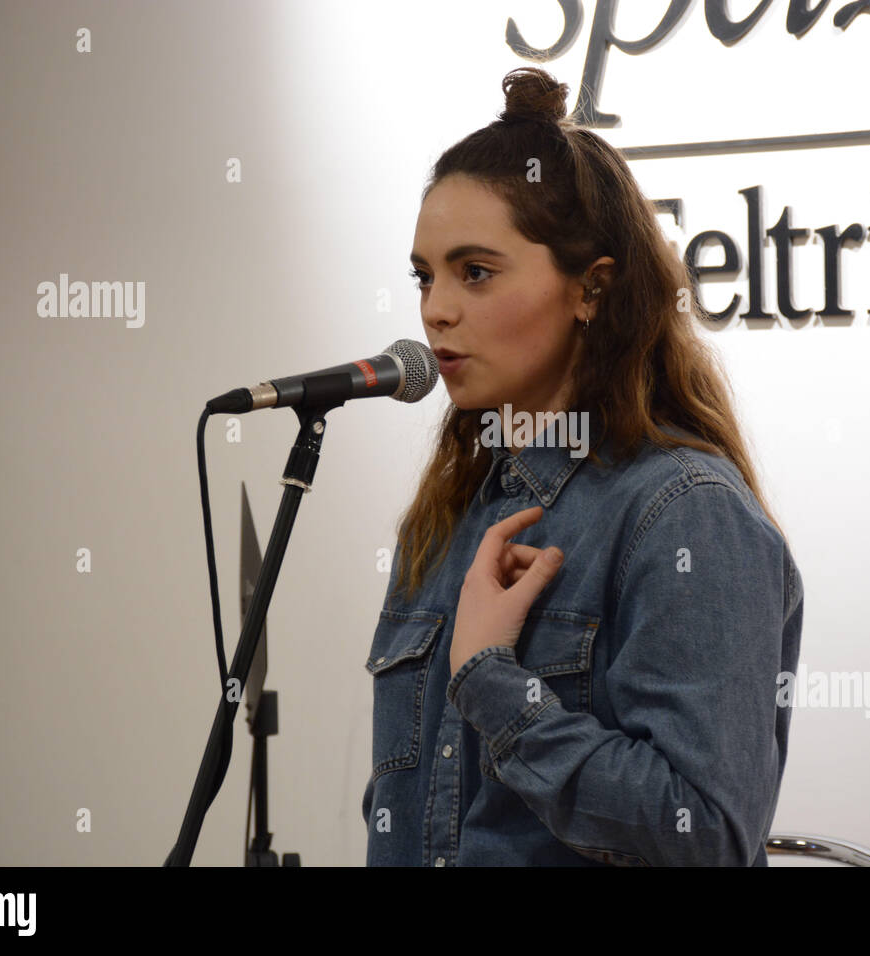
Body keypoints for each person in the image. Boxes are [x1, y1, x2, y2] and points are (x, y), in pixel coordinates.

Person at [361, 66, 804, 866]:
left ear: (591, 290)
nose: (436, 308)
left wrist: (493, 681)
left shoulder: (684, 513)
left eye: (477, 272)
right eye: (425, 276)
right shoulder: (444, 520)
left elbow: (706, 834)